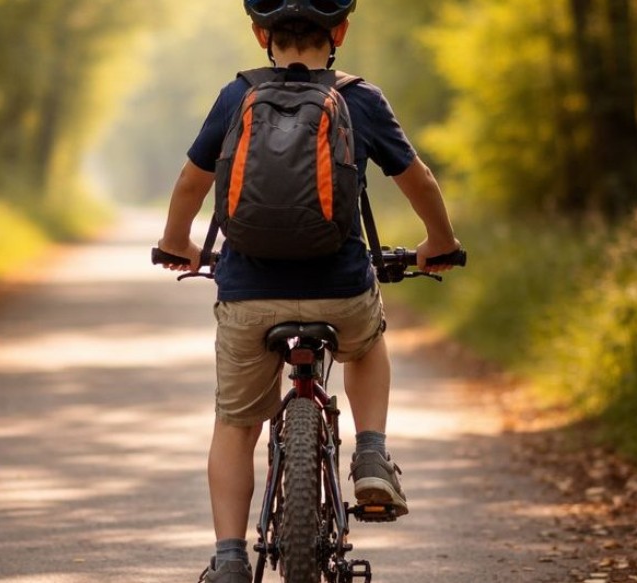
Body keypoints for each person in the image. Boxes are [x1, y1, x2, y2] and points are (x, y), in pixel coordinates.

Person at [156, 1, 461, 581]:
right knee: (368, 342)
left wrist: (179, 243)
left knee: (236, 425)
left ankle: (228, 561)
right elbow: (416, 177)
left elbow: (192, 180)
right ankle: (371, 453)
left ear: (260, 33)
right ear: (340, 30)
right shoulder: (361, 98)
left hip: (249, 295)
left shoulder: (235, 95)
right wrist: (439, 240)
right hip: (339, 290)